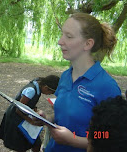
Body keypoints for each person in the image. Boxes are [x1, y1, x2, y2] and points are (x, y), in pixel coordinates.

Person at [44, 13, 121, 152]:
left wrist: (73, 140)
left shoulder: (107, 87)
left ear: (88, 44)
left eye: (69, 36)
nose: (60, 41)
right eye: (62, 34)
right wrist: (47, 119)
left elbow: (110, 138)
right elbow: (65, 116)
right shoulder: (66, 76)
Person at [0, 75, 60, 152]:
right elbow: (19, 109)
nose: (49, 94)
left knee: (36, 143)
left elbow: (29, 104)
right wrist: (31, 121)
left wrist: (34, 110)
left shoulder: (38, 86)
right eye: (50, 93)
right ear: (46, 87)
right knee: (20, 145)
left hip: (24, 116)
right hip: (16, 118)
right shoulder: (31, 90)